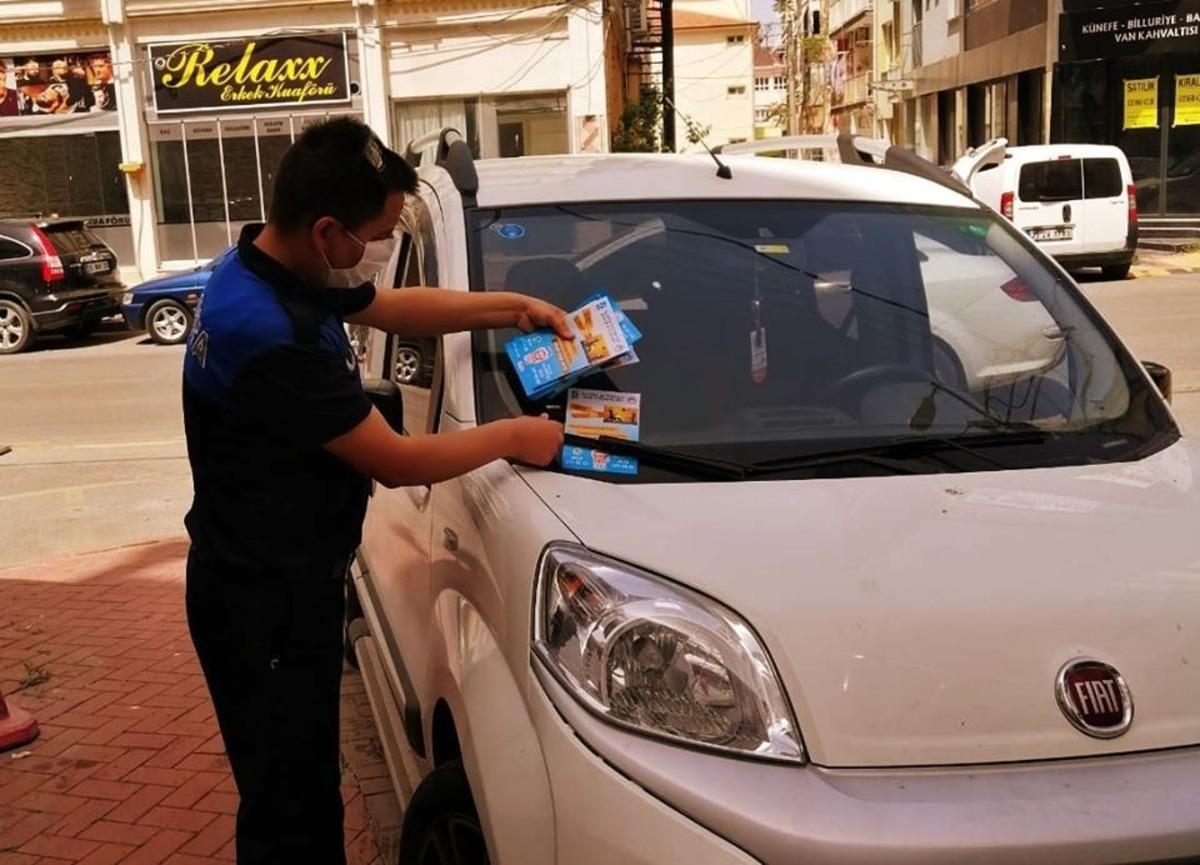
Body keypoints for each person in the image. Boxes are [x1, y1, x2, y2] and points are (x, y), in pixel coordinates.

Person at [182, 117, 565, 864]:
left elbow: (390, 307)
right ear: (328, 231)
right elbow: (393, 459)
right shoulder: (268, 334)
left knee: (299, 786)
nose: (381, 253)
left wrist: (509, 306)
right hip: (260, 607)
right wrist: (517, 436)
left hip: (276, 584)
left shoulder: (272, 264)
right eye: (378, 235)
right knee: (290, 807)